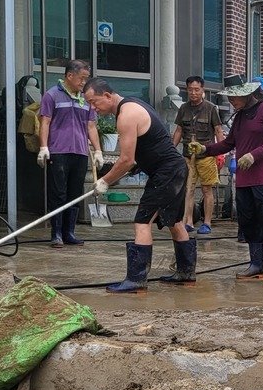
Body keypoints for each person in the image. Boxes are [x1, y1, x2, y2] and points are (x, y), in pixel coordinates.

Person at [85, 78, 194, 293]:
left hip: (167, 172)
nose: (93, 108)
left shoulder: (126, 115)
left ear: (107, 95)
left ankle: (136, 280)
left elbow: (126, 159)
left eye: (94, 101)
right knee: (175, 221)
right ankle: (186, 273)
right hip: (174, 169)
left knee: (142, 222)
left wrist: (105, 182)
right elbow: (143, 151)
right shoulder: (135, 104)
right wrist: (134, 167)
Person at [201, 74, 263, 281]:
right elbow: (229, 143)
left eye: (235, 98)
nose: (232, 102)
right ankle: (256, 264)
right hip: (244, 180)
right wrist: (206, 149)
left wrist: (253, 155)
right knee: (248, 222)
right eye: (229, 99)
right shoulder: (239, 117)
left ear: (247, 94)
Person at [37, 59, 104, 247]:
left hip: (80, 152)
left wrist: (98, 150)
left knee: (75, 193)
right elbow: (45, 122)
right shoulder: (52, 95)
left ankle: (69, 232)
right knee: (58, 192)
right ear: (69, 75)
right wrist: (44, 147)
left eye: (86, 79)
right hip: (59, 151)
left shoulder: (86, 99)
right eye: (82, 79)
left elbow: (91, 126)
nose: (84, 82)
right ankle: (56, 233)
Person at [172, 76, 224, 235]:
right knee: (188, 189)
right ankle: (188, 221)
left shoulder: (210, 108)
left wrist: (220, 152)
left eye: (197, 89)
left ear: (202, 90)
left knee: (207, 189)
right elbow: (179, 130)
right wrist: (171, 149)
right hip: (188, 156)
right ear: (186, 90)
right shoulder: (183, 109)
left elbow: (218, 131)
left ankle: (207, 222)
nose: (193, 93)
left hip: (206, 155)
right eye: (190, 90)